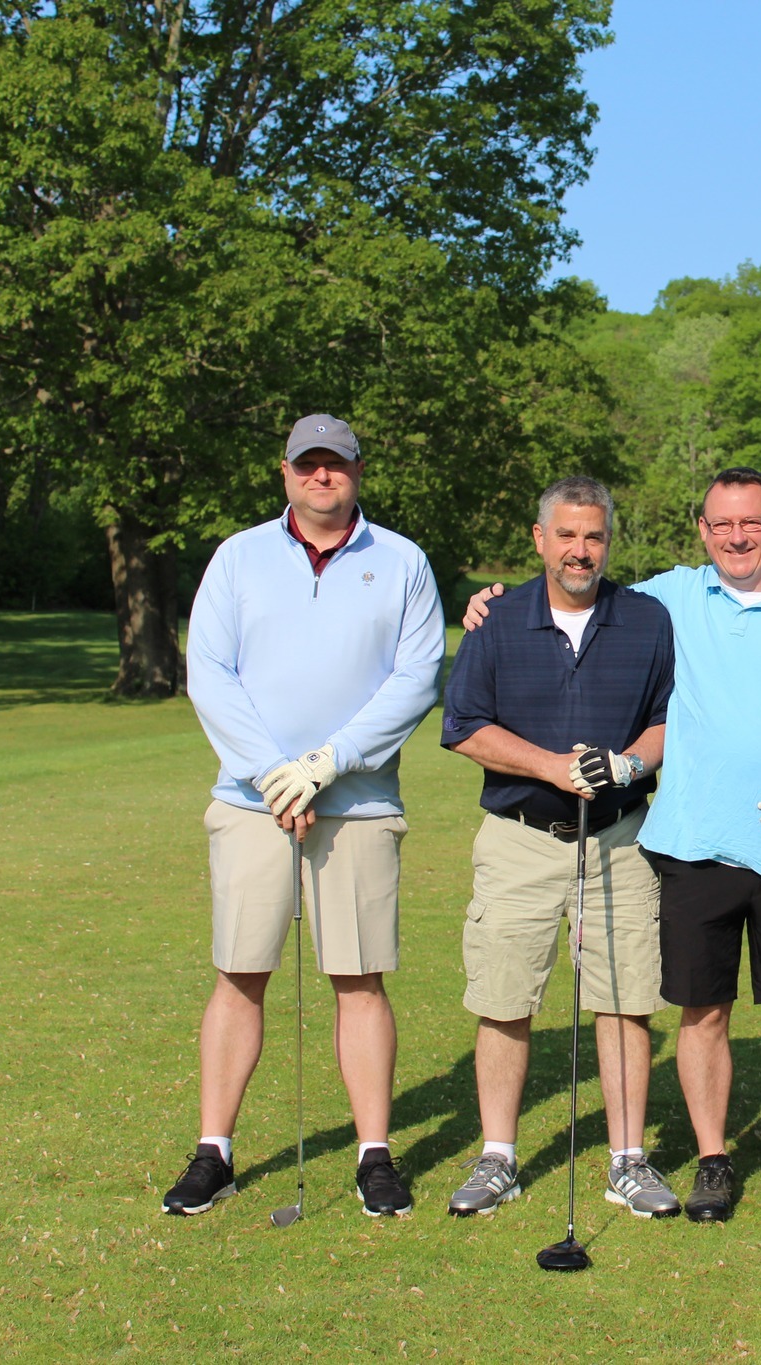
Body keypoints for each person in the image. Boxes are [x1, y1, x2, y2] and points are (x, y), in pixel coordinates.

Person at [463, 468, 761, 1223]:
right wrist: (493, 600)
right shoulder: (671, 596)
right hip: (693, 843)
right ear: (702, 529)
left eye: (752, 522)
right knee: (703, 1013)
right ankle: (712, 1161)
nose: (737, 537)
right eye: (722, 524)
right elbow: (578, 584)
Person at [167, 414, 444, 1217]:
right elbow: (210, 672)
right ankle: (214, 1151)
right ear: (285, 472)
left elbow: (416, 678)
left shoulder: (402, 562)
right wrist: (274, 774)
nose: (323, 476)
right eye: (308, 464)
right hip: (253, 804)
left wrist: (328, 762)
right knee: (239, 973)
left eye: (337, 463)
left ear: (358, 470)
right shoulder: (238, 557)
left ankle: (374, 1154)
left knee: (359, 977)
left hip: (358, 805)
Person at [438, 477, 679, 1219]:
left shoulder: (646, 620)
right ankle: (498, 1157)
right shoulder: (497, 620)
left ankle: (628, 1160)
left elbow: (670, 720)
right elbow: (463, 726)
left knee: (625, 1000)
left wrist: (628, 763)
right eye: (567, 535)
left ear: (609, 541)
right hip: (520, 839)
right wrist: (550, 766)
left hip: (619, 839)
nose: (581, 550)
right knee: (504, 999)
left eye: (594, 536)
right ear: (540, 539)